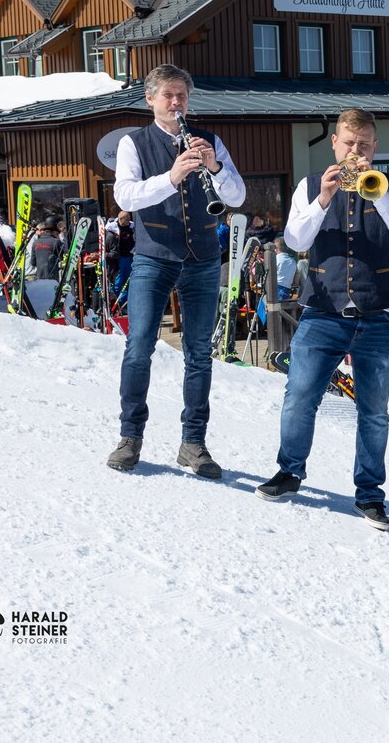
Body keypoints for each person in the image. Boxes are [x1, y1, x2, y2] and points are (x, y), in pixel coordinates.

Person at [254, 108, 389, 529]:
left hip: (379, 315)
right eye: (349, 143)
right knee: (300, 396)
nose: (356, 152)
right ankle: (290, 471)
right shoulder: (310, 186)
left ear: (375, 146)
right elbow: (295, 238)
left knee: (373, 411)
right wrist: (324, 198)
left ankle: (370, 494)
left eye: (364, 145)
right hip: (323, 312)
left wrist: (378, 193)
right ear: (334, 143)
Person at [105, 64, 246, 478]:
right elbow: (125, 195)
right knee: (139, 346)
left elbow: (238, 195)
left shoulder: (210, 141)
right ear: (150, 99)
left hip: (203, 257)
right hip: (154, 256)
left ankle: (193, 443)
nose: (176, 102)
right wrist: (171, 177)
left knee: (199, 353)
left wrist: (215, 168)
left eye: (181, 95)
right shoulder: (133, 142)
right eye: (168, 95)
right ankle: (130, 437)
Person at [104, 211, 136, 304]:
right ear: (121, 219)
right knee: (119, 281)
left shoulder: (131, 227)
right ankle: (118, 302)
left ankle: (125, 302)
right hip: (119, 259)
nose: (129, 221)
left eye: (129, 219)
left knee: (128, 280)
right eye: (127, 219)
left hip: (129, 256)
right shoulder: (112, 229)